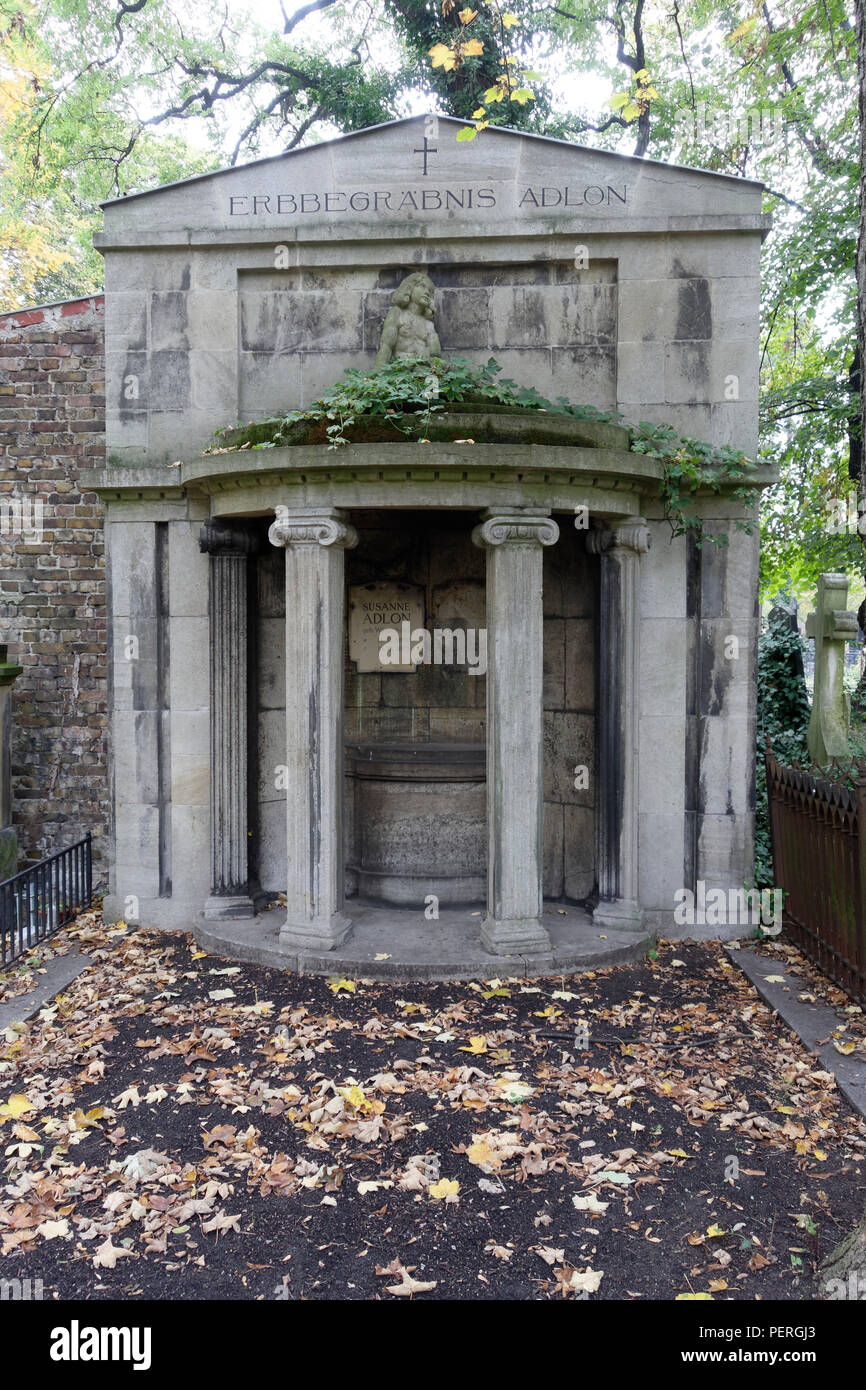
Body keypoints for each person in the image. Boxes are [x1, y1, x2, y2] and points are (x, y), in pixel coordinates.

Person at [375, 272, 441, 366]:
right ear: (409, 288)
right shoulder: (397, 313)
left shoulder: (428, 324)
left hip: (422, 369)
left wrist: (427, 351)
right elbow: (386, 346)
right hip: (400, 368)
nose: (426, 292)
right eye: (422, 286)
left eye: (429, 291)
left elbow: (436, 351)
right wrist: (378, 374)